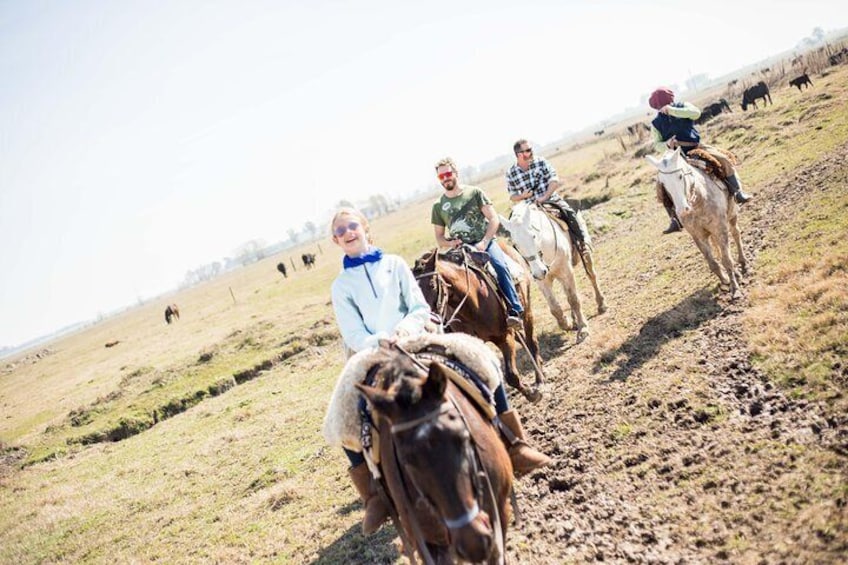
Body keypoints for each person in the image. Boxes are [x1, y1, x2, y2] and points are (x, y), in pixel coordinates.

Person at [329, 207, 551, 534]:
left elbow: (419, 306)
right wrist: (380, 340)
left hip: (416, 336)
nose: (347, 232)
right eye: (340, 231)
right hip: (372, 350)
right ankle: (373, 496)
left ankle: (516, 445)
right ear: (336, 241)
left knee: (480, 358)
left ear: (364, 228)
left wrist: (405, 329)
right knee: (343, 411)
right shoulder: (341, 285)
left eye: (352, 226)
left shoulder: (394, 264)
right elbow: (352, 332)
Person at [431, 157, 524, 330]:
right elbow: (439, 238)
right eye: (441, 177)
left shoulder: (474, 193)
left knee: (499, 266)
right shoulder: (438, 206)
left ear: (455, 173)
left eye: (448, 174)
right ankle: (450, 325)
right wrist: (452, 244)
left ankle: (514, 310)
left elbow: (493, 218)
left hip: (484, 243)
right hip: (460, 250)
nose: (445, 178)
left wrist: (485, 242)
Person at [648, 87, 752, 234]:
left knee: (724, 160)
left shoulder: (682, 107)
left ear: (671, 101)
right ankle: (675, 219)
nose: (661, 108)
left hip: (696, 147)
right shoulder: (655, 123)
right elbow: (656, 144)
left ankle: (737, 193)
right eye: (659, 107)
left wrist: (672, 110)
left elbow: (695, 114)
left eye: (663, 104)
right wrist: (666, 144)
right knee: (662, 184)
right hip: (674, 157)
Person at [506, 139, 591, 254]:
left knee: (569, 212)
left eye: (531, 149)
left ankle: (581, 243)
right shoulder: (511, 172)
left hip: (550, 200)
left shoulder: (541, 162)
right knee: (517, 228)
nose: (532, 152)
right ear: (519, 154)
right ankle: (525, 259)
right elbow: (512, 196)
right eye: (528, 150)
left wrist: (545, 197)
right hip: (529, 208)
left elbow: (554, 180)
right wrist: (522, 195)